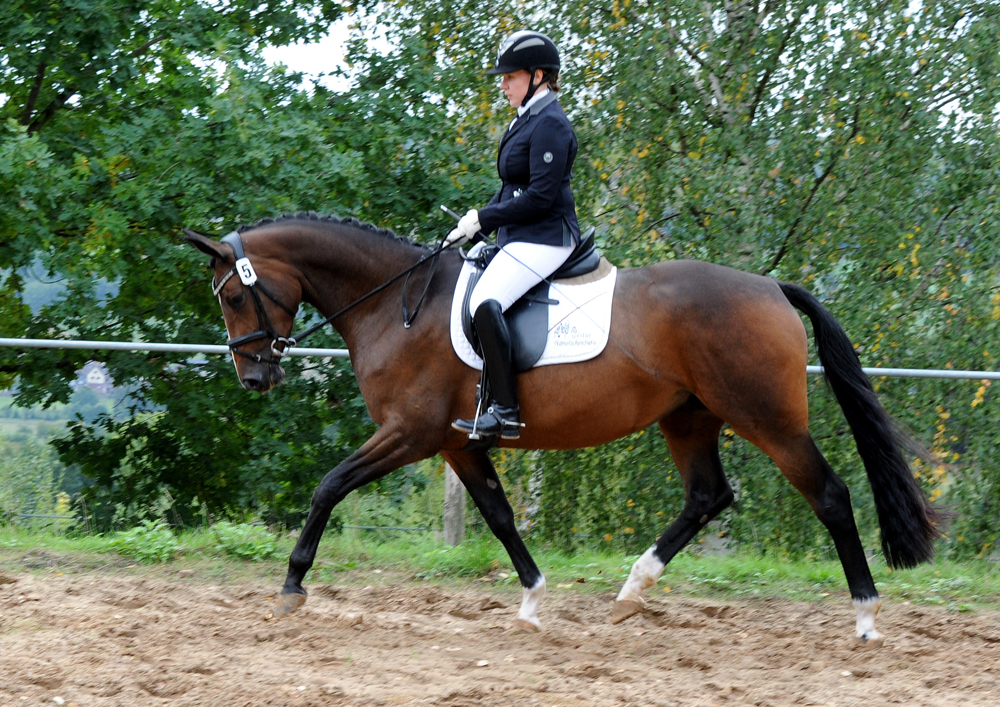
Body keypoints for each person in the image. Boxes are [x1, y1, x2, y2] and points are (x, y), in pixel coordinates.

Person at [445, 30, 581, 440]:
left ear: (538, 76)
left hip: (547, 236)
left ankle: (505, 410)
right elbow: (510, 187)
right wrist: (475, 222)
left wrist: (485, 218)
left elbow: (540, 198)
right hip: (520, 236)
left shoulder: (551, 125)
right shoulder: (526, 119)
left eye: (510, 76)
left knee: (486, 303)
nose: (502, 84)